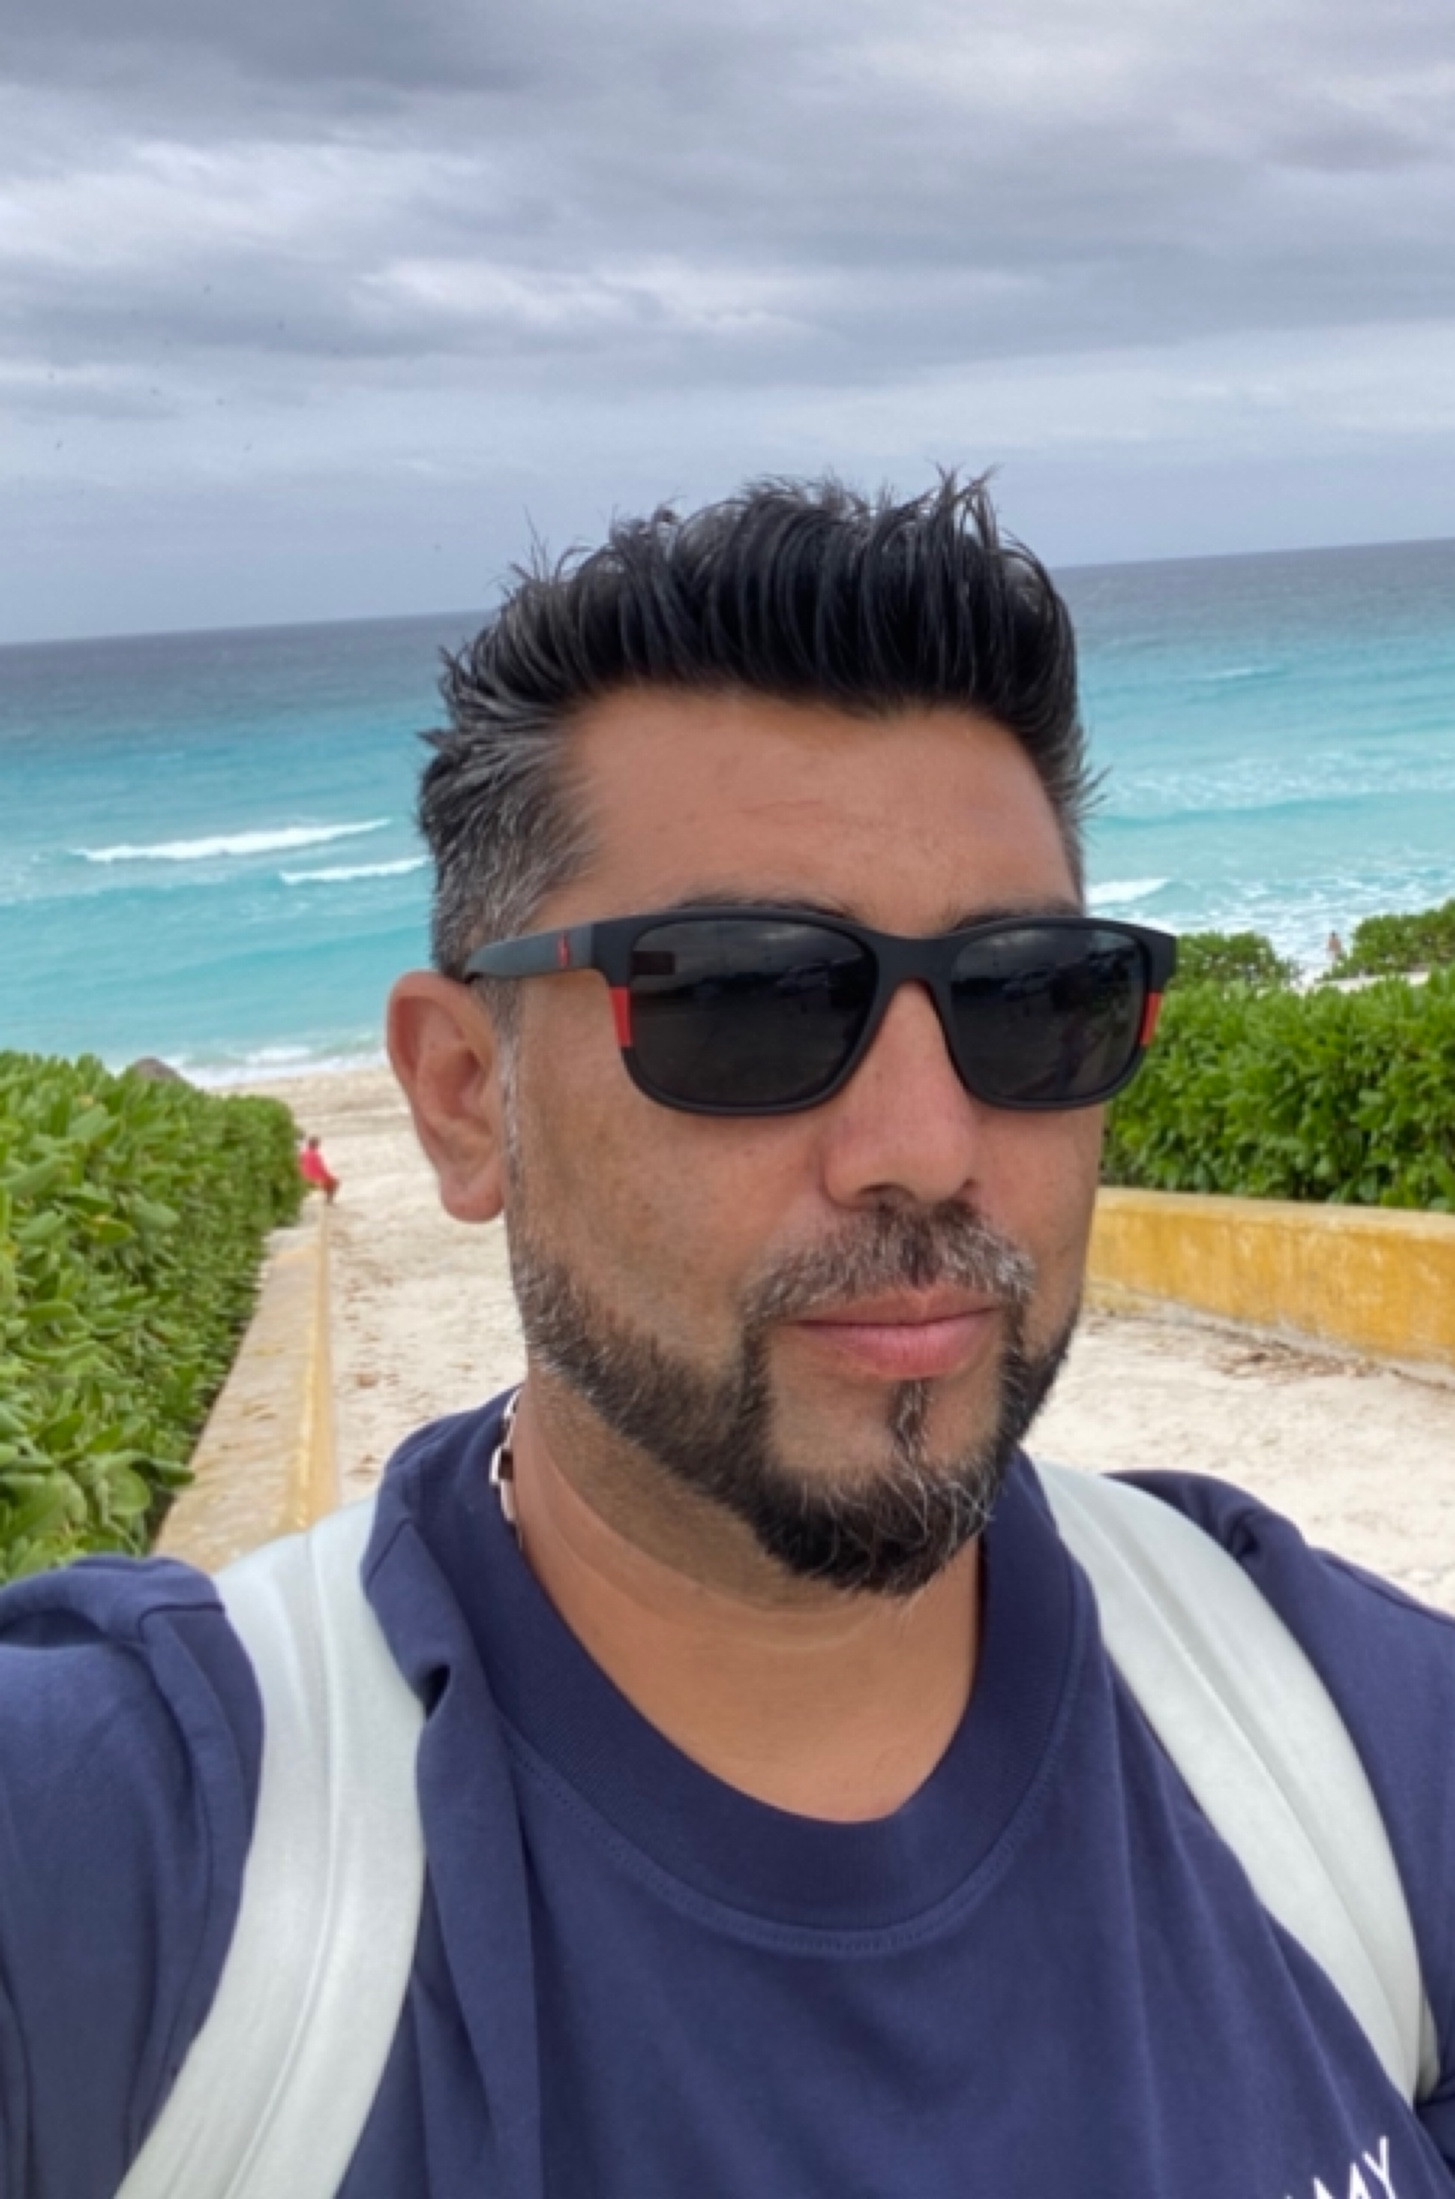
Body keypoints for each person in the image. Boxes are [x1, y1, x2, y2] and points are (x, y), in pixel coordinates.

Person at [2, 476, 1454, 2197]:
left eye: (1026, 994)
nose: (925, 1145)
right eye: (746, 998)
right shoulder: (135, 1857)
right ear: (463, 1095)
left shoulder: (1353, 1748)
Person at [299, 1132, 340, 1202]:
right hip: (314, 1180)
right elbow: (321, 1169)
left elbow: (299, 1166)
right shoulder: (316, 1155)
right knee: (335, 1182)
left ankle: (327, 1199)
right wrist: (330, 1176)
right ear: (316, 1145)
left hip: (303, 1178)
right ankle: (329, 1200)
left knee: (328, 1181)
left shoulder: (302, 1154)